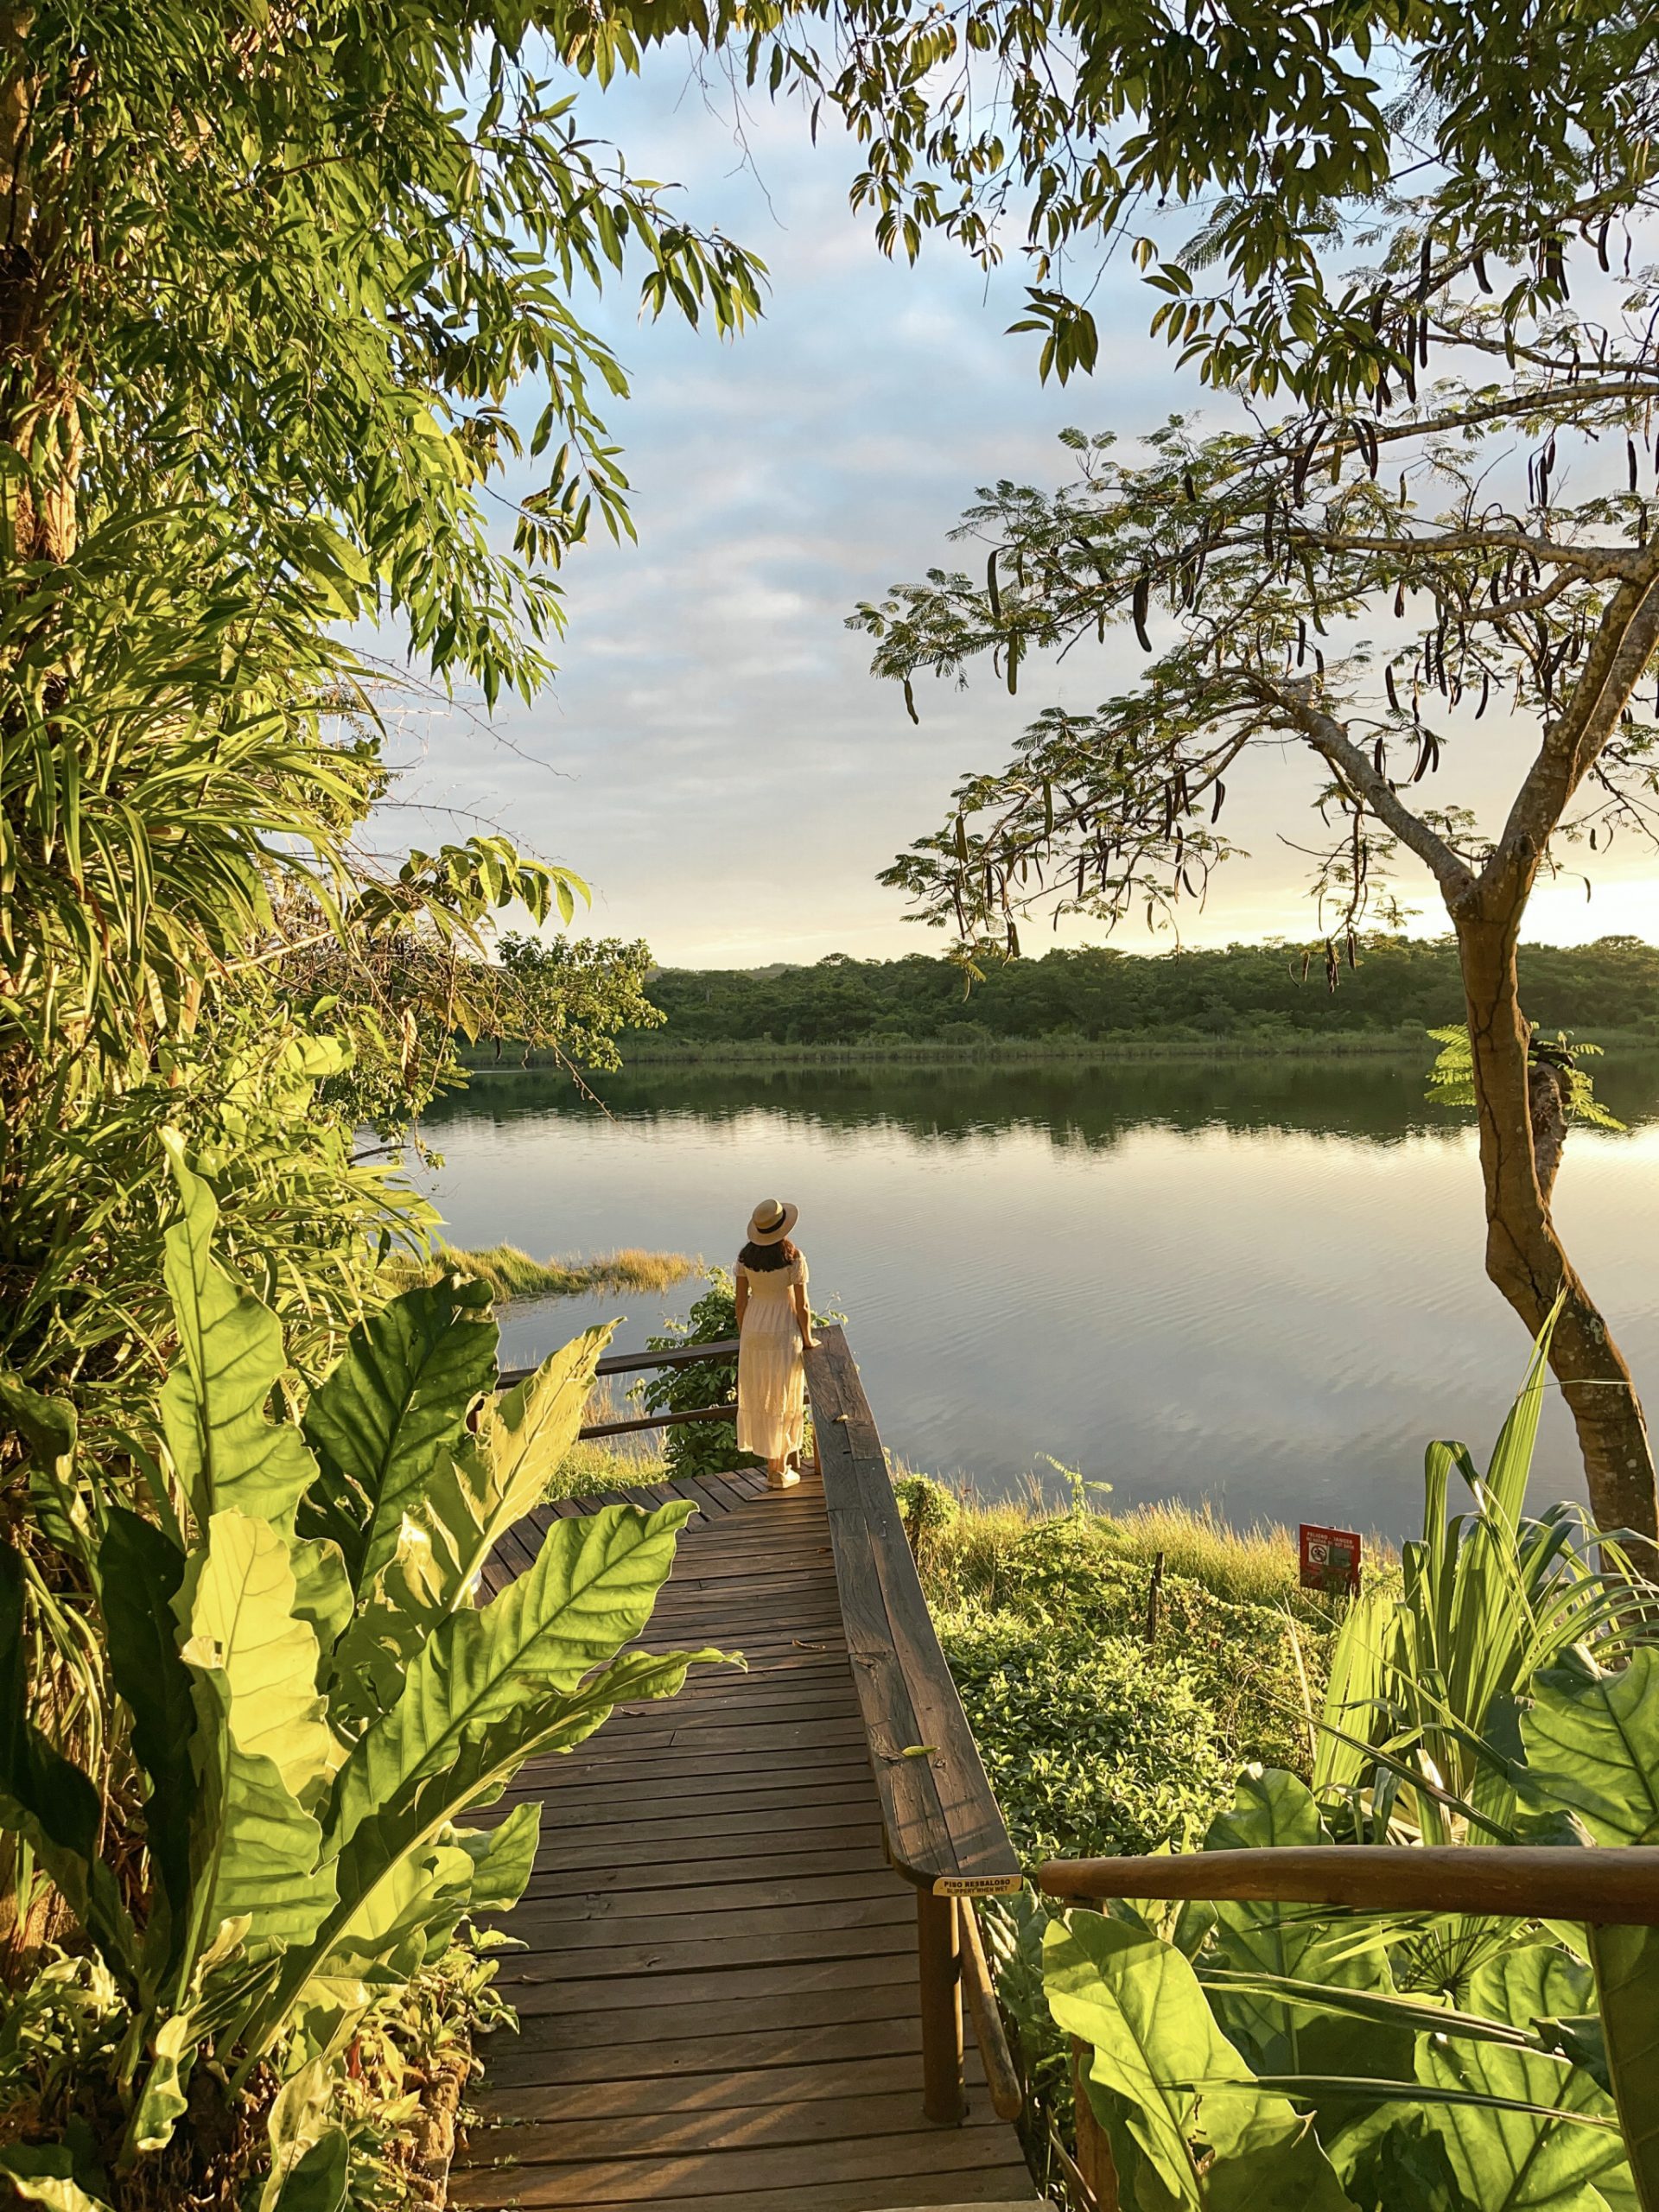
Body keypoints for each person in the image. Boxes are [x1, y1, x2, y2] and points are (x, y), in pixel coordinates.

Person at [734, 1198, 817, 1489]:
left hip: (754, 1330)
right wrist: (807, 1340)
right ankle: (778, 1471)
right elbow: (803, 1307)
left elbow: (740, 1304)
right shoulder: (793, 1257)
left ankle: (774, 1467)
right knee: (784, 1395)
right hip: (783, 1329)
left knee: (761, 1395)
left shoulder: (745, 1258)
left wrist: (746, 1334)